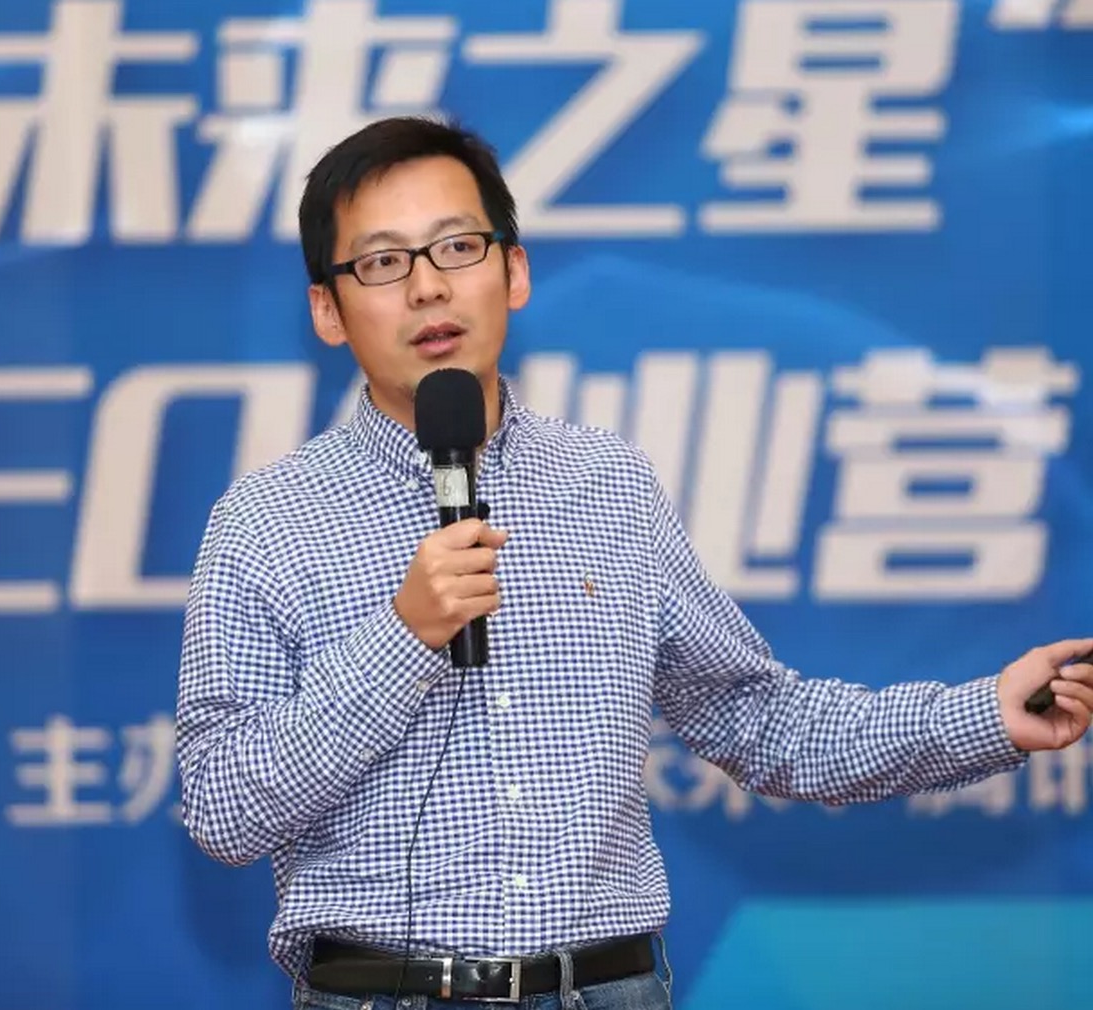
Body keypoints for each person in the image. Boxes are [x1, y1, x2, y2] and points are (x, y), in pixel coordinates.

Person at [174, 116, 1093, 1010]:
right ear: (327, 311)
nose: (427, 288)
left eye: (456, 247)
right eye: (383, 263)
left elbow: (756, 717)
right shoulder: (267, 520)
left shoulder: (607, 483)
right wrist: (403, 638)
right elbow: (223, 809)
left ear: (514, 271)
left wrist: (985, 715)